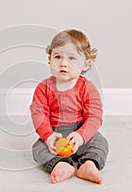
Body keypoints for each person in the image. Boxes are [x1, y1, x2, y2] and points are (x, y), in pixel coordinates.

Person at [30, 29, 108, 184]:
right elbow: (39, 115)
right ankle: (61, 164)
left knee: (101, 142)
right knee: (37, 148)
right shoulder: (43, 88)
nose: (63, 63)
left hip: (81, 135)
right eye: (58, 57)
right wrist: (48, 136)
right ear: (49, 59)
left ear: (85, 64)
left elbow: (94, 116)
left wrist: (80, 136)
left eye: (72, 58)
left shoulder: (87, 88)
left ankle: (89, 163)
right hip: (55, 136)